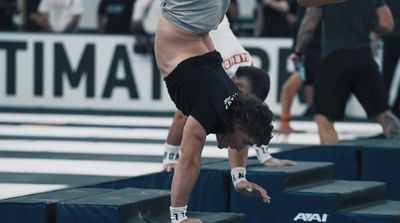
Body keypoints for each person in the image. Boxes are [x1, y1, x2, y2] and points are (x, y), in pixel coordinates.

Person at [155, 0, 274, 222]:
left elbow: (244, 130)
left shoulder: (237, 103)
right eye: (244, 141)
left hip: (207, 18)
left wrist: (239, 179)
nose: (238, 147)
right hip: (187, 17)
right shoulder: (208, 114)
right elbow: (189, 162)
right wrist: (179, 217)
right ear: (239, 124)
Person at [162, 16, 296, 171]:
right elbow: (182, 115)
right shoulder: (215, 73)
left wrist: (264, 155)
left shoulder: (247, 75)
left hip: (215, 19)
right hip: (198, 19)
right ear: (237, 85)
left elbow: (251, 121)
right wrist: (170, 157)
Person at [292, 0, 400, 144]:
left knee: (323, 118)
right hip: (363, 57)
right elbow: (387, 24)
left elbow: (309, 26)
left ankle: (335, 161)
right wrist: (372, 33)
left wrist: (298, 51)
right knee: (384, 115)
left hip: (334, 59)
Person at [279, 5, 321, 138]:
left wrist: (298, 52)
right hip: (310, 54)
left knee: (291, 87)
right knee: (308, 85)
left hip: (310, 54)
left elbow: (306, 28)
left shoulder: (313, 7)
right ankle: (286, 123)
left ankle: (285, 123)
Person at [382, 0, 400, 118]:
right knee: (386, 77)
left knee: (386, 76)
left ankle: (386, 111)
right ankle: (390, 110)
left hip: (391, 36)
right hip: (391, 36)